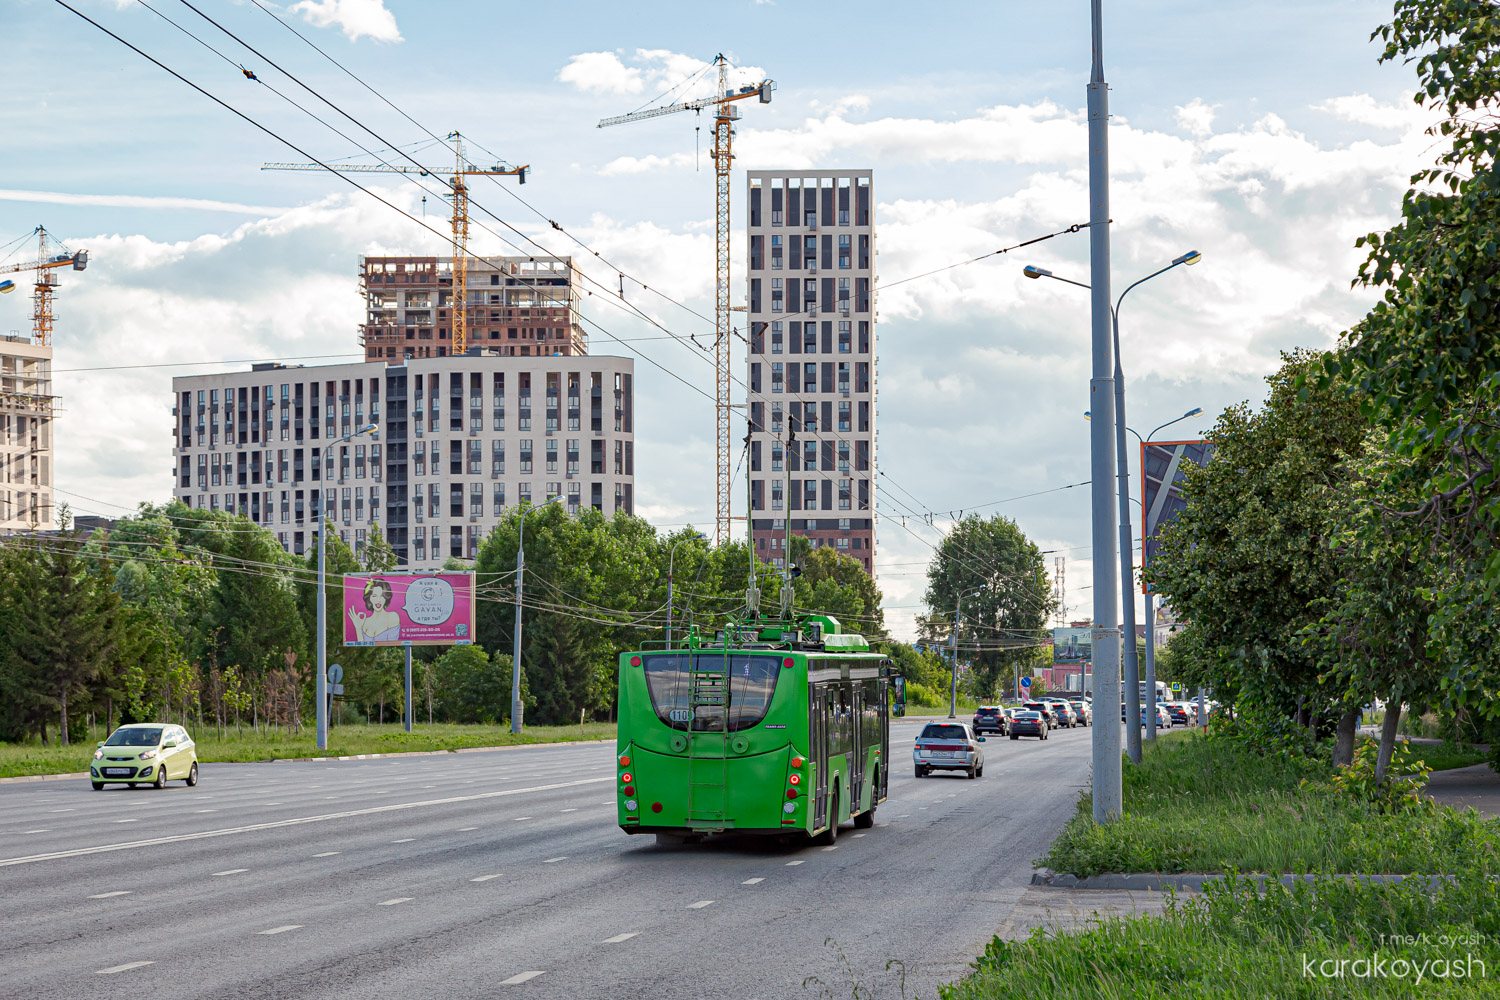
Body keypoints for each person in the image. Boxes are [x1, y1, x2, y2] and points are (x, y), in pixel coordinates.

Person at [348, 577, 401, 642]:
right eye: (374, 596)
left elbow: (393, 643)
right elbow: (361, 645)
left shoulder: (392, 616)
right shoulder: (364, 622)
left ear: (386, 597)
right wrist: (358, 628)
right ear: (369, 598)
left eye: (382, 596)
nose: (378, 600)